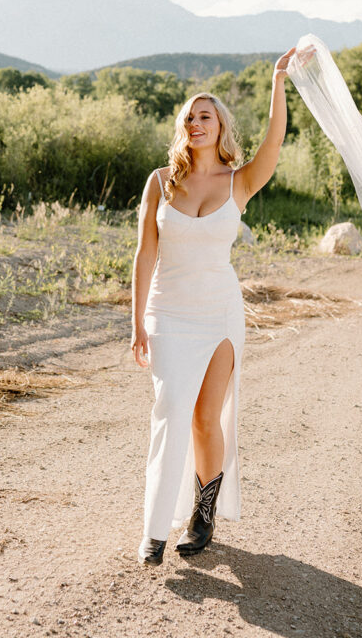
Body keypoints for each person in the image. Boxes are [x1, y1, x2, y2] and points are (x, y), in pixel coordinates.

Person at [131, 46, 298, 565]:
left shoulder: (239, 181)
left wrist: (277, 82)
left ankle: (202, 517)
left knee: (207, 417)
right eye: (189, 116)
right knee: (170, 410)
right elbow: (144, 254)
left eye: (205, 115)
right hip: (168, 311)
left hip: (220, 313)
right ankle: (154, 531)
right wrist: (136, 324)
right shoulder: (160, 181)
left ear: (221, 125)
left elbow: (275, 140)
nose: (195, 122)